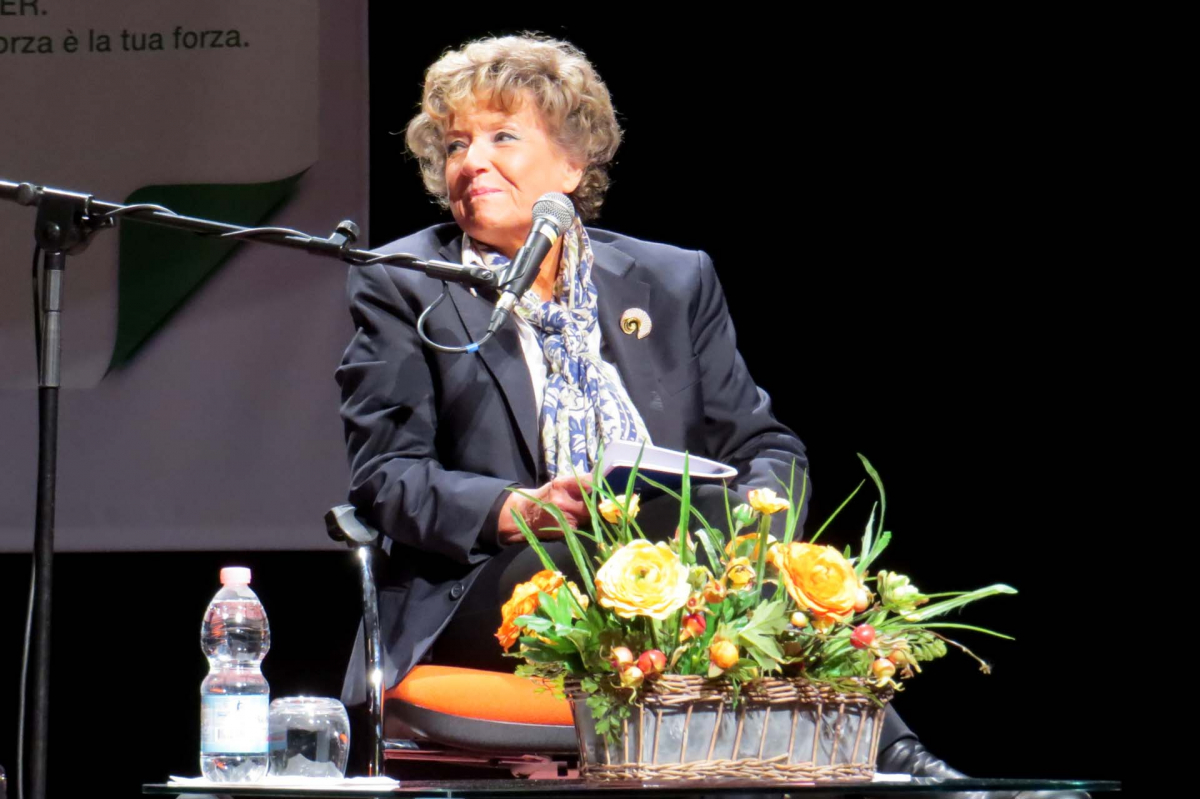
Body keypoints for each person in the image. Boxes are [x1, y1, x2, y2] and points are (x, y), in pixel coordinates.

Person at [336, 35, 1081, 798]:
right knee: (673, 554)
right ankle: (900, 759)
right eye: (455, 145)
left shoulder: (671, 279)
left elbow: (764, 444)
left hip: (682, 572)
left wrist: (757, 531)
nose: (470, 161)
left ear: (572, 164)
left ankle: (885, 756)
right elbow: (388, 478)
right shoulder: (403, 285)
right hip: (490, 588)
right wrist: (520, 508)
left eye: (502, 136)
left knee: (744, 550)